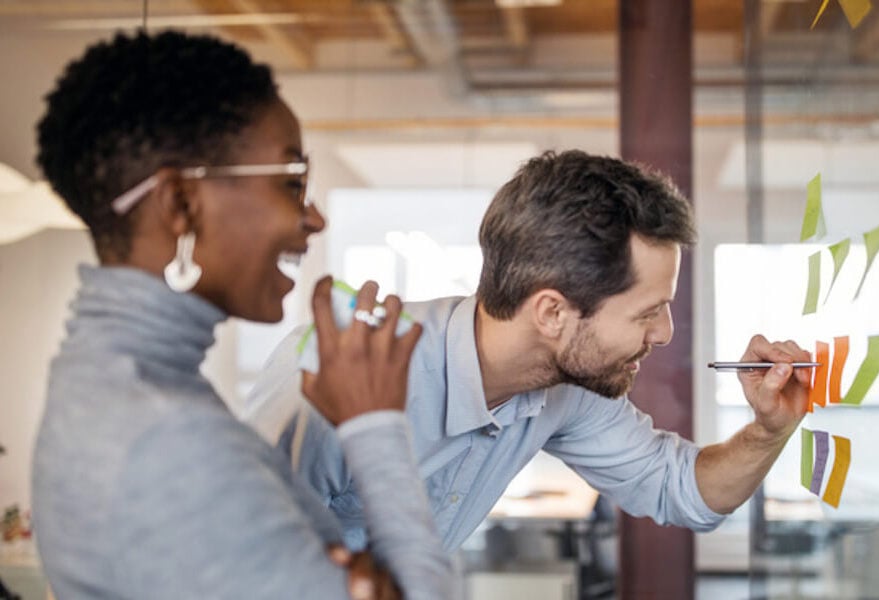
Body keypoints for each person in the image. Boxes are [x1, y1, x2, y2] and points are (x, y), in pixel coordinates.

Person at [31, 30, 453, 599]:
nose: (314, 219)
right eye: (290, 182)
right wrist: (374, 423)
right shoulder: (170, 440)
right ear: (181, 204)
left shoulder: (101, 379)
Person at [247, 149, 813, 552]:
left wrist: (768, 431)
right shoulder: (335, 369)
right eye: (646, 312)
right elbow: (234, 561)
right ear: (551, 313)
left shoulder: (566, 383)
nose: (664, 333)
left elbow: (682, 491)